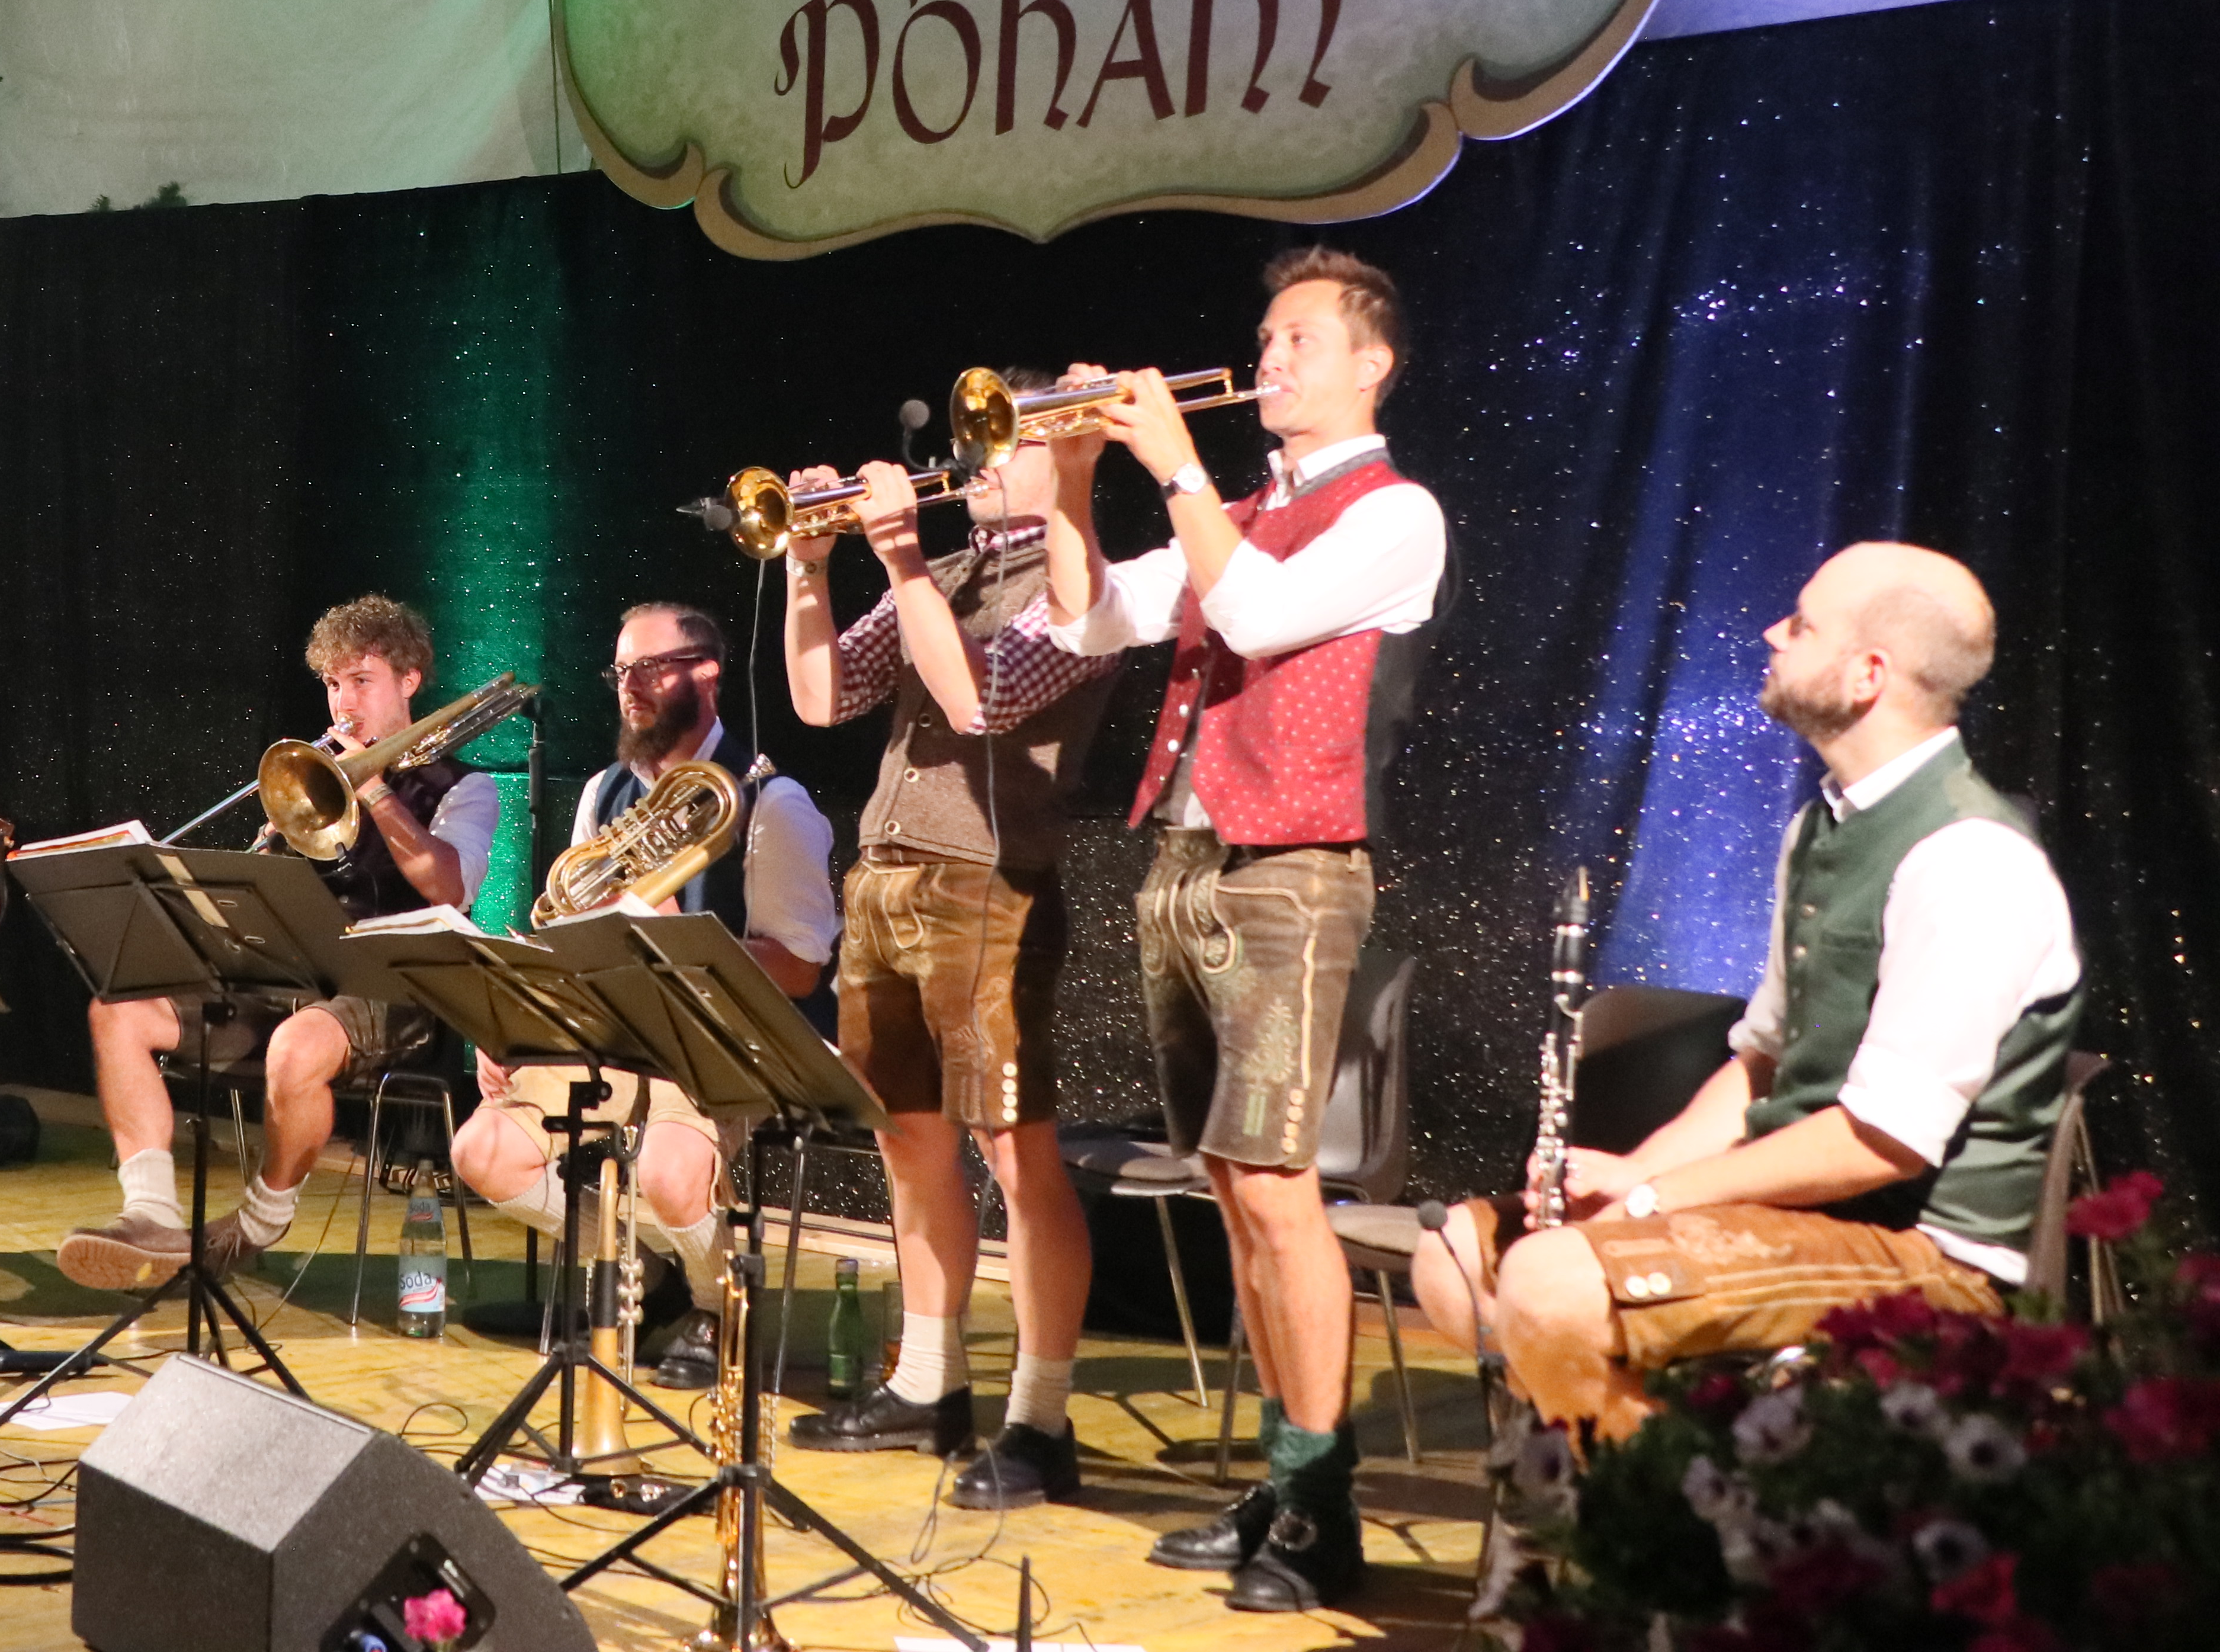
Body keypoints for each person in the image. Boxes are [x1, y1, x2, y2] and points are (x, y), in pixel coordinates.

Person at [1414, 543, 2082, 1442]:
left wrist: (1655, 1201)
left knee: (1548, 1282)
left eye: (1802, 625)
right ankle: (1684, 1489)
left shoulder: (1969, 860)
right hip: (1795, 1219)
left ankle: (1672, 1507)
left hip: (1924, 1255)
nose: (1772, 633)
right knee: (1456, 1256)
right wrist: (1633, 1176)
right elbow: (1762, 1063)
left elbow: (1882, 1143)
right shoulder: (1822, 826)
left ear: (1868, 673)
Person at [1040, 245, 1448, 1612]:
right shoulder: (1249, 509)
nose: (1269, 359)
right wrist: (1070, 480)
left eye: (1298, 340)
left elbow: (1259, 616)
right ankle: (1280, 1478)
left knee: (1277, 1187)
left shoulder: (1396, 513)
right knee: (1231, 1185)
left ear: (1372, 363)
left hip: (1292, 870)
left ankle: (1323, 1510)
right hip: (1187, 863)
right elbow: (1091, 620)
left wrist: (1172, 464)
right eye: (1264, 337)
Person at [778, 415, 1118, 1511]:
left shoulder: (1074, 581)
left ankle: (1041, 1420)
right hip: (885, 876)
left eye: (1008, 441)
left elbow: (983, 701)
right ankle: (928, 1385)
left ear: (1062, 460)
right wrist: (808, 568)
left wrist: (900, 557)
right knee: (907, 1141)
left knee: (1015, 1156)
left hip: (987, 886)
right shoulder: (957, 567)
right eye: (980, 437)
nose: (977, 461)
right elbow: (823, 697)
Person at [58, 595, 502, 1289]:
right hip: (293, 976)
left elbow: (448, 885)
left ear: (409, 680)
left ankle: (257, 1223)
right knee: (118, 1010)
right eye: (333, 683)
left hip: (395, 988)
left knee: (296, 1049)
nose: (343, 701)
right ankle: (151, 1215)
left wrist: (376, 791)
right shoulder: (315, 773)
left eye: (362, 680)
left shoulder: (467, 787)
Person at [450, 602, 840, 1390]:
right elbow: (571, 930)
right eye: (622, 671)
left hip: (725, 1041)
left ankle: (718, 1304)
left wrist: (675, 934)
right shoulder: (605, 791)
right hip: (621, 1030)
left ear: (707, 673)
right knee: (481, 1152)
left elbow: (801, 968)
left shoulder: (774, 802)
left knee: (667, 1171)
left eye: (650, 669)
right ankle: (647, 1270)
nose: (630, 687)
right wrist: (519, 1024)